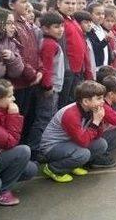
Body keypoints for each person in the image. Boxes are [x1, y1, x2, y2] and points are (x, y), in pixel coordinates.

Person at [0, 79, 38, 206]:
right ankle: (0, 191)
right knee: (23, 151)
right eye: (10, 96)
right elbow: (11, 142)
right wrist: (14, 116)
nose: (14, 98)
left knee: (30, 169)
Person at [39, 81, 115, 183]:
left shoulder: (91, 109)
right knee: (83, 154)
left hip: (71, 141)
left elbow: (97, 136)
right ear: (85, 101)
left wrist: (99, 120)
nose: (102, 102)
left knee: (101, 144)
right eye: (99, 98)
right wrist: (95, 122)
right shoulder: (71, 114)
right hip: (52, 146)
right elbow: (83, 141)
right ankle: (53, 169)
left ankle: (73, 165)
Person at [0, 0, 43, 143]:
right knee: (18, 119)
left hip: (30, 81)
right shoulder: (10, 25)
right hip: (18, 84)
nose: (26, 5)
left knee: (30, 118)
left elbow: (35, 50)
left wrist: (40, 69)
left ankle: (27, 150)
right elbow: (18, 54)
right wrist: (32, 73)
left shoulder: (25, 22)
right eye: (23, 1)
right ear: (11, 5)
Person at [29, 11, 66, 155]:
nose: (61, 29)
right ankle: (34, 148)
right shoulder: (49, 44)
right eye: (56, 27)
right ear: (45, 29)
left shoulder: (52, 42)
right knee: (44, 118)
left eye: (62, 26)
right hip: (49, 89)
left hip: (53, 87)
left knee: (47, 117)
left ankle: (41, 146)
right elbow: (46, 67)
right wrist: (47, 86)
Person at [56, 0, 93, 109]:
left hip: (77, 69)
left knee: (72, 103)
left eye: (73, 3)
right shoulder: (59, 21)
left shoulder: (72, 20)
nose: (71, 6)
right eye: (67, 3)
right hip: (67, 70)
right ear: (58, 3)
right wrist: (67, 68)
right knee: (64, 104)